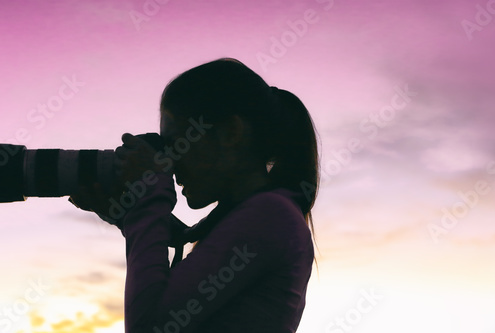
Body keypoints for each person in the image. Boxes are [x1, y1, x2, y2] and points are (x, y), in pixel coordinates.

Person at [69, 58, 320, 332]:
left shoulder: (269, 215)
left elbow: (149, 326)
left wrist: (149, 197)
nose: (169, 161)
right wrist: (129, 215)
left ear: (230, 133)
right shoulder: (264, 213)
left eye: (177, 143)